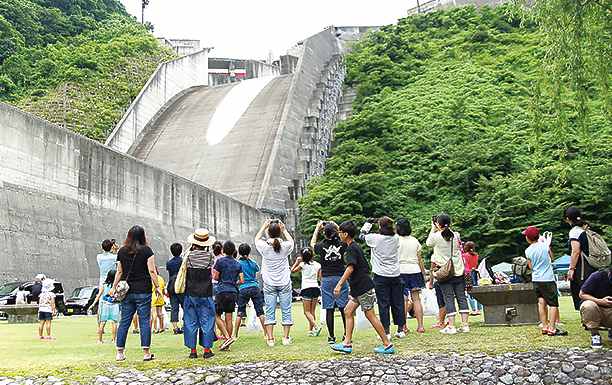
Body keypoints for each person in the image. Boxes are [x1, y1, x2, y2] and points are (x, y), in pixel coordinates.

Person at [331, 220, 394, 354]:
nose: (339, 235)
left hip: (363, 288)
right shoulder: (353, 245)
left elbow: (350, 268)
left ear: (346, 234)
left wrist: (339, 284)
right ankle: (347, 343)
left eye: (340, 233)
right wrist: (338, 226)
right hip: (357, 288)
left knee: (370, 315)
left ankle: (387, 344)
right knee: (348, 311)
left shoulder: (351, 249)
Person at [110, 225, 161, 362]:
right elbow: (151, 270)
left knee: (124, 322)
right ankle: (146, 353)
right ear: (143, 236)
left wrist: (113, 287)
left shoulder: (121, 251)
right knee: (144, 321)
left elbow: (119, 272)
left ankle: (120, 353)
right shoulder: (147, 250)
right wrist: (157, 286)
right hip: (143, 290)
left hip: (126, 291)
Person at [360, 216, 406, 339]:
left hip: (381, 274)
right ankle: (400, 329)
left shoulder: (375, 238)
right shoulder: (396, 238)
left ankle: (386, 331)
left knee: (383, 303)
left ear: (380, 226)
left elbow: (362, 235)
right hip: (395, 274)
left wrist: (368, 223)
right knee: (398, 302)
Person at [426, 214, 469, 335]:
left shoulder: (436, 236)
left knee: (448, 297)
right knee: (461, 296)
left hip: (444, 271)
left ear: (438, 223)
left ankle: (451, 326)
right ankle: (465, 325)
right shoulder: (456, 235)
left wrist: (433, 228)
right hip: (458, 269)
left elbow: (428, 243)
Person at [255, 219, 295, 347]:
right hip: (284, 282)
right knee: (286, 309)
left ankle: (271, 339)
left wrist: (263, 226)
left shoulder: (264, 247)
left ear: (269, 232)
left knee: (270, 310)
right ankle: (285, 337)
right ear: (279, 232)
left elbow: (256, 240)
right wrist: (284, 230)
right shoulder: (285, 246)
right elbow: (291, 242)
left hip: (269, 282)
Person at [523, 226, 568, 336]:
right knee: (553, 303)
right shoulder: (545, 246)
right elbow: (552, 259)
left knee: (541, 302)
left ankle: (545, 326)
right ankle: (552, 328)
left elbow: (530, 266)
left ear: (528, 239)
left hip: (536, 279)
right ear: (538, 236)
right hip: (548, 278)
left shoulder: (527, 250)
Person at [311, 221, 349, 344]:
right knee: (344, 308)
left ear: (324, 234)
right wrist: (337, 227)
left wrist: (316, 229)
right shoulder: (342, 245)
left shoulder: (321, 246)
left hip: (326, 278)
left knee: (329, 308)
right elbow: (347, 241)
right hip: (340, 277)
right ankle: (346, 334)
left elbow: (312, 244)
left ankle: (331, 336)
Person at [182, 228, 217, 359]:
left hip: (191, 291)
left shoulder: (189, 256)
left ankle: (193, 350)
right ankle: (207, 349)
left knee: (190, 320)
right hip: (206, 292)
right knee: (207, 320)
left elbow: (185, 266)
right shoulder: (210, 257)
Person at [563, 206, 598, 311]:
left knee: (583, 291)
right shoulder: (586, 228)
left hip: (582, 266)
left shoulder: (575, 231)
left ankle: (588, 317)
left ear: (568, 219)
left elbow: (576, 251)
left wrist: (571, 268)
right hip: (591, 263)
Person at [396, 217, 426, 333]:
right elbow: (420, 259)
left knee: (403, 300)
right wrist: (423, 274)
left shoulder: (396, 240)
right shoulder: (415, 240)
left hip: (401, 271)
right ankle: (420, 326)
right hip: (415, 270)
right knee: (416, 299)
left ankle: (403, 327)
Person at [213, 240, 244, 350]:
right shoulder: (238, 264)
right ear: (235, 251)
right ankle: (228, 344)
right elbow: (242, 280)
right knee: (229, 318)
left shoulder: (220, 261)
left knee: (216, 315)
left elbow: (216, 277)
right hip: (233, 291)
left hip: (222, 290)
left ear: (223, 250)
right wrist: (234, 284)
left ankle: (226, 337)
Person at [233, 243, 265, 339]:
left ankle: (235, 335)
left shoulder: (237, 263)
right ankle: (267, 334)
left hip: (242, 288)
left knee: (240, 311)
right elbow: (257, 270)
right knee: (260, 311)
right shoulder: (252, 262)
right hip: (255, 287)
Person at [290, 247, 322, 337]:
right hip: (315, 287)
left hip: (306, 288)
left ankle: (316, 327)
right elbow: (320, 278)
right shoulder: (317, 265)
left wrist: (297, 262)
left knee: (306, 312)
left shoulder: (303, 265)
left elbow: (291, 271)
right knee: (312, 311)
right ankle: (310, 330)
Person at [579, 269, 612, 348]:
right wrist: (599, 301)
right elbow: (582, 294)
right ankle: (595, 334)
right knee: (588, 305)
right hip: (598, 311)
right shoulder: (597, 276)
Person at [89, 269, 120, 344]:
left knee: (102, 322)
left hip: (105, 304)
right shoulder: (116, 285)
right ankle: (114, 339)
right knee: (114, 322)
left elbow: (99, 295)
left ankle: (100, 340)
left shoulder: (104, 285)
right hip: (114, 304)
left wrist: (93, 304)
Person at [166, 242, 185, 334]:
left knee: (174, 307)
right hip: (181, 286)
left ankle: (175, 328)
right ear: (181, 251)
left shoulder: (169, 263)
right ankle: (184, 325)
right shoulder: (183, 261)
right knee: (185, 306)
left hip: (172, 286)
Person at [463, 241, 482, 315]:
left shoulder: (465, 256)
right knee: (477, 290)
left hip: (468, 274)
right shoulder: (476, 255)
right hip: (475, 273)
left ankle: (473, 309)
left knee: (469, 291)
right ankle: (479, 309)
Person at [150, 266, 166, 334]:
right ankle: (161, 328)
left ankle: (155, 328)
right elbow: (163, 288)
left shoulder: (151, 279)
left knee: (154, 314)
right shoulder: (160, 278)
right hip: (160, 297)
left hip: (153, 296)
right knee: (160, 313)